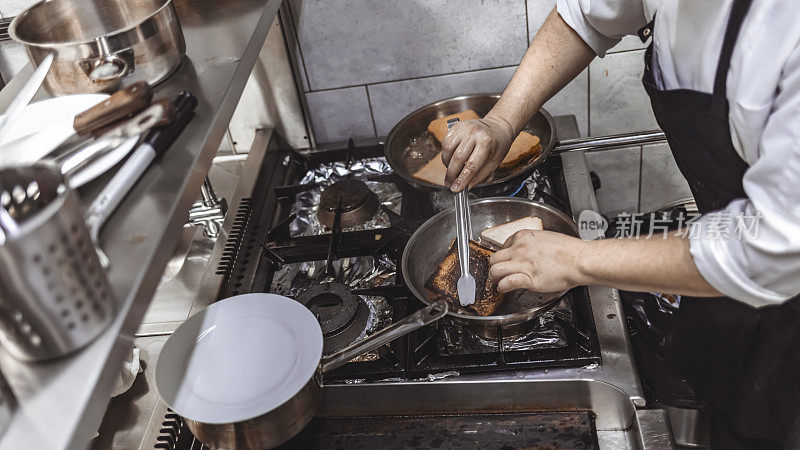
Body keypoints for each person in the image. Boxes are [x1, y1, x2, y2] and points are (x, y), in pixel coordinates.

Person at [441, 1, 800, 447]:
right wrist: (501, 121)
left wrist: (579, 260)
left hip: (787, 298)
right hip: (722, 266)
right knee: (720, 400)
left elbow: (772, 245)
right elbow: (587, 17)